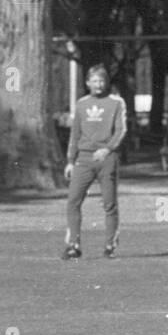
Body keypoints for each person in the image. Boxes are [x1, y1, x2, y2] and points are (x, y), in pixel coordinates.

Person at [63, 64, 126, 260]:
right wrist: (70, 160)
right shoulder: (81, 104)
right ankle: (73, 244)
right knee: (73, 201)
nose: (98, 85)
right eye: (94, 81)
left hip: (107, 158)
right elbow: (75, 133)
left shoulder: (116, 102)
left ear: (106, 82)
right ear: (88, 82)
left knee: (109, 203)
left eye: (102, 80)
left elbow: (121, 130)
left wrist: (107, 149)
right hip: (84, 158)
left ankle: (110, 246)